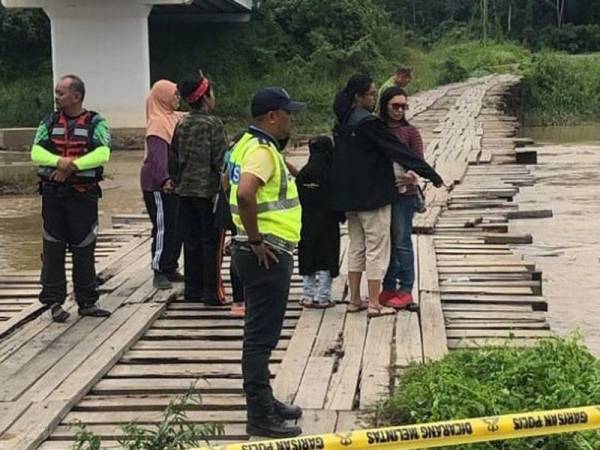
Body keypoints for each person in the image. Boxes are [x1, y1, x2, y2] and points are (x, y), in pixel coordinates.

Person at [330, 74, 443, 318]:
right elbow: (401, 152)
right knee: (376, 249)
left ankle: (354, 300)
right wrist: (431, 174)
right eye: (371, 94)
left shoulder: (343, 122)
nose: (373, 97)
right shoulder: (369, 124)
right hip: (373, 197)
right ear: (359, 97)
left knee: (356, 247)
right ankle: (373, 304)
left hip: (350, 199)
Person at [229, 87, 304, 438]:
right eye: (288, 113)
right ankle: (259, 415)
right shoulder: (260, 151)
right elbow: (245, 192)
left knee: (259, 335)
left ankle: (266, 400)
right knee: (260, 339)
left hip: (254, 250)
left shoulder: (244, 144)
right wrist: (257, 240)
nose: (292, 119)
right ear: (272, 117)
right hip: (266, 253)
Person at [31, 74, 111, 322]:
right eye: (56, 92)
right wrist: (59, 161)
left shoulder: (96, 122)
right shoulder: (49, 121)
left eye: (61, 92)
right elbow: (36, 152)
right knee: (53, 248)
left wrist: (72, 166)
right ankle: (54, 302)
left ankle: (87, 301)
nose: (56, 97)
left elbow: (103, 153)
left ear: (76, 96)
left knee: (84, 247)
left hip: (82, 197)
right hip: (53, 196)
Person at [169, 75, 227, 305]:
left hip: (185, 191)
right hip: (208, 192)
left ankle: (192, 289)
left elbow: (172, 158)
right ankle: (212, 292)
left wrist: (175, 180)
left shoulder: (181, 123)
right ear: (205, 97)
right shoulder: (214, 124)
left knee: (190, 240)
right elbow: (221, 160)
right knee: (210, 241)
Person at [379, 86, 424, 307]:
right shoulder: (377, 130)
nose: (399, 110)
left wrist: (412, 177)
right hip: (380, 194)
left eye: (403, 106)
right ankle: (388, 288)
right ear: (385, 106)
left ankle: (406, 288)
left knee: (402, 241)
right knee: (384, 241)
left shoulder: (411, 133)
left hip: (405, 195)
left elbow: (418, 162)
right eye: (394, 106)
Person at [141, 79, 184, 289]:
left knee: (175, 226)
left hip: (173, 183)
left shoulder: (172, 117)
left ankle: (170, 265)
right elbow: (157, 157)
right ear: (163, 98)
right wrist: (164, 178)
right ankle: (159, 269)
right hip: (157, 184)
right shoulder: (158, 122)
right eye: (174, 95)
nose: (178, 98)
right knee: (163, 226)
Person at [297, 135, 342, 309]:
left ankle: (308, 295)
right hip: (328, 222)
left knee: (308, 255)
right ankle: (323, 297)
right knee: (327, 257)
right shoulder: (332, 173)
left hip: (306, 221)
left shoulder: (304, 173)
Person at [215, 133, 246, 317]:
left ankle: (238, 301)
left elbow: (224, 180)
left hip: (230, 207)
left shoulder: (230, 153)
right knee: (244, 252)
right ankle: (244, 299)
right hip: (244, 208)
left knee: (236, 249)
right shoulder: (250, 154)